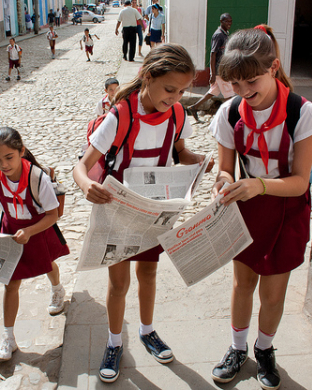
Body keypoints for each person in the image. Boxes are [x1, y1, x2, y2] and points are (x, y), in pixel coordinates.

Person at [73, 44, 214, 383]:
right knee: (118, 282)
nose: (176, 97)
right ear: (147, 77)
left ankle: (147, 331)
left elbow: (180, 151)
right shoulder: (121, 115)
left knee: (148, 276)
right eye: (170, 89)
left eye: (182, 91)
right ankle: (114, 341)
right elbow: (82, 165)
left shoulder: (178, 115)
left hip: (154, 208)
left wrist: (197, 162)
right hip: (119, 207)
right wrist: (85, 186)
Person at [208, 25, 312, 389]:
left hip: (288, 208)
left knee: (273, 293)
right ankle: (237, 347)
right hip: (247, 209)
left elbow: (300, 181)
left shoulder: (302, 113)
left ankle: (264, 349)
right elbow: (226, 170)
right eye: (236, 86)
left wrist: (258, 185)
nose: (245, 93)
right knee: (242, 284)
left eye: (252, 83)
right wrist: (224, 184)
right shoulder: (230, 114)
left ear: (273, 67)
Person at [0, 127, 70, 362]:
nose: (4, 164)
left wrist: (30, 231)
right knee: (10, 283)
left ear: (22, 151)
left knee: (48, 264)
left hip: (37, 229)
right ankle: (8, 337)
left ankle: (57, 289)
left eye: (9, 157)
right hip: (11, 232)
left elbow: (52, 215)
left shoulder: (37, 178)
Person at [189, 13, 234, 122]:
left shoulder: (225, 34)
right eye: (227, 21)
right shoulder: (218, 35)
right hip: (219, 71)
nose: (229, 24)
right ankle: (229, 117)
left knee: (213, 92)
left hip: (222, 69)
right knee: (229, 96)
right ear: (221, 21)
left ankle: (194, 107)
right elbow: (213, 54)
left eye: (230, 21)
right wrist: (212, 74)